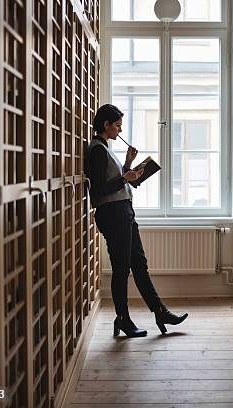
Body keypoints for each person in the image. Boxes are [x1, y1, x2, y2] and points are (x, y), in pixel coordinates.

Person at [85, 104, 188, 337]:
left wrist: (128, 165)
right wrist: (125, 177)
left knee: (139, 264)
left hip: (123, 212)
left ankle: (160, 311)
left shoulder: (105, 148)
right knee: (121, 269)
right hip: (113, 215)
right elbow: (99, 191)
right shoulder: (98, 150)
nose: (119, 131)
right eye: (117, 126)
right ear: (106, 125)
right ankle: (123, 319)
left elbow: (116, 181)